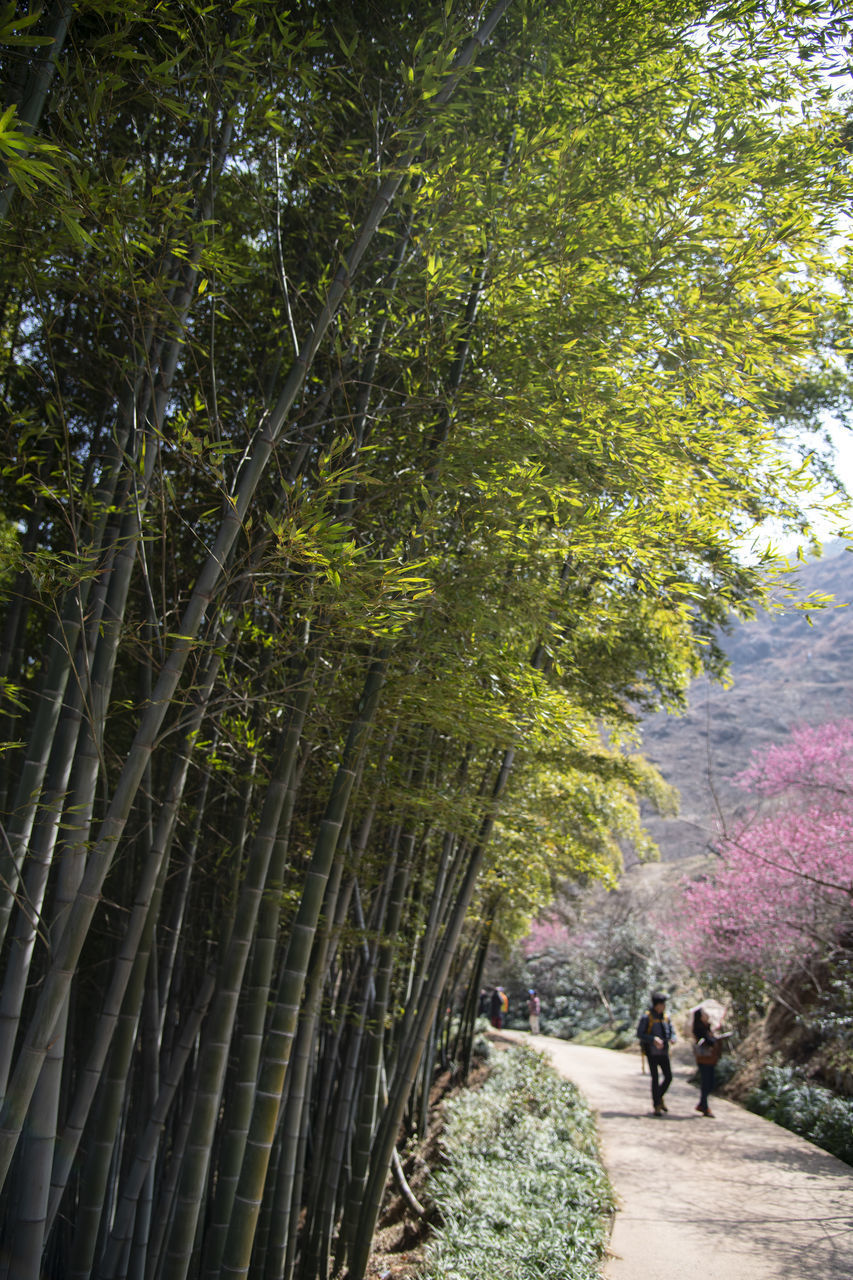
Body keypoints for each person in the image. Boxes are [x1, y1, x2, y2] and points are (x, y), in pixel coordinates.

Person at [636, 991, 675, 1115]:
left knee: (668, 1077)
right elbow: (640, 1034)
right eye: (662, 1004)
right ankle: (657, 1105)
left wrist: (673, 1038)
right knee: (655, 1078)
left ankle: (658, 1096)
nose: (664, 1006)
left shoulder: (666, 1017)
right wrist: (653, 1039)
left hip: (664, 1052)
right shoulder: (647, 1017)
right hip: (651, 1052)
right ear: (657, 1005)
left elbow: (672, 1031)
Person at [692, 1006, 721, 1117]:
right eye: (704, 1014)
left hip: (710, 1058)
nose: (707, 1016)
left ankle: (702, 1104)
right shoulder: (699, 1028)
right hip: (704, 1058)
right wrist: (714, 1039)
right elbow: (709, 1041)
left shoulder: (707, 1027)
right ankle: (704, 1106)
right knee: (707, 1082)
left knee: (710, 1082)